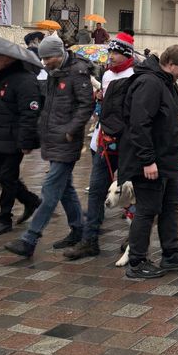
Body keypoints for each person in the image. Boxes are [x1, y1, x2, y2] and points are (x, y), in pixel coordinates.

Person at [5, 34, 94, 258]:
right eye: (43, 59)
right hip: (53, 138)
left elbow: (86, 106)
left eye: (48, 58)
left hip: (66, 140)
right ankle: (78, 229)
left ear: (59, 53)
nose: (44, 62)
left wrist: (70, 130)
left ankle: (30, 239)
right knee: (65, 189)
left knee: (50, 190)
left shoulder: (78, 72)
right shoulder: (55, 73)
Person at [117, 45, 178, 279]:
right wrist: (147, 160)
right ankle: (137, 261)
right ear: (170, 64)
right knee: (147, 209)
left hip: (168, 158)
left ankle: (170, 253)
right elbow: (139, 124)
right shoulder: (149, 83)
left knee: (171, 204)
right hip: (151, 161)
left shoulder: (166, 81)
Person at [63, 33, 137, 260]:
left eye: (115, 53)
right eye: (110, 52)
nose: (111, 57)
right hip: (103, 143)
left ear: (125, 54)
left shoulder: (135, 76)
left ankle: (133, 238)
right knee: (96, 191)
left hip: (126, 145)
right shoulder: (106, 75)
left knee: (131, 193)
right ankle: (89, 240)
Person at [0, 39, 42, 235]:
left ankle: (4, 218)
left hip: (14, 139)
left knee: (7, 176)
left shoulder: (25, 80)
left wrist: (25, 142)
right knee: (1, 175)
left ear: (7, 58)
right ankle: (31, 200)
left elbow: (29, 114)